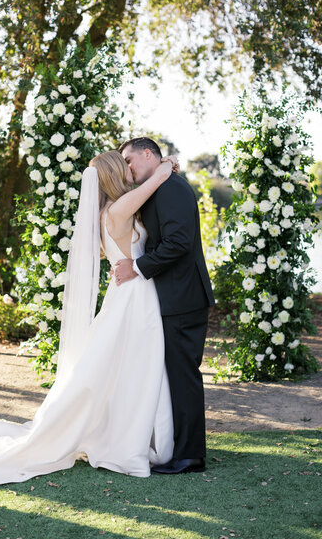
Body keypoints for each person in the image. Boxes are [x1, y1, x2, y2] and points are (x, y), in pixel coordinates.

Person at [0, 150, 176, 489]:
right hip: (134, 297)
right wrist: (165, 168)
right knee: (137, 367)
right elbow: (157, 181)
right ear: (116, 173)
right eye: (126, 164)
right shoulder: (117, 209)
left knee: (129, 368)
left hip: (131, 294)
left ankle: (131, 435)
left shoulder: (109, 210)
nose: (131, 168)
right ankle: (127, 445)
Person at [116, 137, 215, 475]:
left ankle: (190, 456)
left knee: (184, 375)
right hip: (172, 296)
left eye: (129, 160)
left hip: (183, 297)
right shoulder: (160, 186)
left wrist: (138, 268)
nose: (128, 169)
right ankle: (180, 448)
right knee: (175, 375)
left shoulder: (172, 188)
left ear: (148, 154)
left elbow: (178, 243)